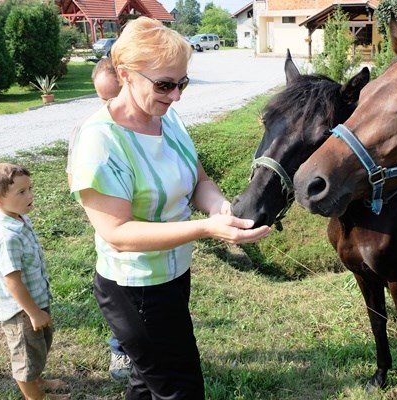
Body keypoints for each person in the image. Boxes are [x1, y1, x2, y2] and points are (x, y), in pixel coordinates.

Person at [68, 17, 271, 399]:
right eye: (164, 84)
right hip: (136, 288)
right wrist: (206, 229)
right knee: (180, 389)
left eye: (182, 83)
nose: (176, 95)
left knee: (148, 382)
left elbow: (198, 180)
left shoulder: (167, 117)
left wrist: (218, 208)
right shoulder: (100, 142)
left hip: (174, 275)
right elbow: (118, 234)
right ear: (125, 75)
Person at [0, 162, 70, 400]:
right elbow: (13, 282)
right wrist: (33, 312)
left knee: (39, 348)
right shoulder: (6, 237)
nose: (30, 195)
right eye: (22, 192)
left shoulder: (18, 218)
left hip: (35, 303)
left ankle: (39, 380)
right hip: (21, 312)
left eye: (30, 188)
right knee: (25, 359)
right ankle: (35, 397)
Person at [72, 56, 133, 381]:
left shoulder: (151, 122)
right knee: (122, 304)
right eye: (102, 98)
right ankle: (119, 350)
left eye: (114, 95)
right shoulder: (93, 131)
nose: (108, 104)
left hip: (156, 254)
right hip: (119, 244)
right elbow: (76, 178)